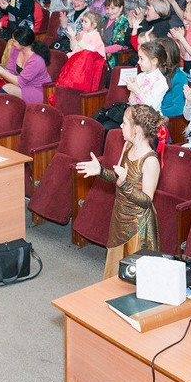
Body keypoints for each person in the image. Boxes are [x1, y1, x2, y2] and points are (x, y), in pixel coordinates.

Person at [75, 105, 164, 279]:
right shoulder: (127, 146)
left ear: (136, 129)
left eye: (124, 123)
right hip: (119, 217)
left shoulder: (150, 160)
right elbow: (118, 177)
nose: (120, 127)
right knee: (114, 275)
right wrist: (100, 171)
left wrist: (124, 184)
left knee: (136, 277)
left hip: (138, 225)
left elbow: (147, 200)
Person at [0, 25, 52, 103]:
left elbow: (19, 82)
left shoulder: (37, 60)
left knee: (7, 88)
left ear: (22, 44)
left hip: (37, 90)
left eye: (14, 41)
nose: (12, 43)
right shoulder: (15, 50)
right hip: (22, 86)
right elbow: (10, 71)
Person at [127, 41, 169, 111]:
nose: (138, 62)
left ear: (154, 61)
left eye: (141, 58)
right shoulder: (140, 76)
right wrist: (132, 89)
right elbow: (132, 103)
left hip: (150, 119)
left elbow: (151, 107)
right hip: (136, 116)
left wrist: (136, 90)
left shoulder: (161, 82)